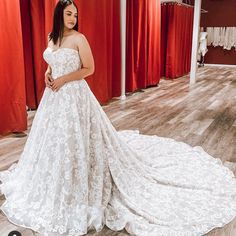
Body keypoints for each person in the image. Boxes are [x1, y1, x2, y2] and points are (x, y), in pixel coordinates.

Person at [0, 1, 236, 236]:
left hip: (74, 94)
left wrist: (63, 79)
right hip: (53, 98)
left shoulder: (79, 39)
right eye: (68, 14)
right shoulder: (52, 36)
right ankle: (56, 178)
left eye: (75, 14)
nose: (72, 18)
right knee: (55, 140)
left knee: (79, 138)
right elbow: (51, 60)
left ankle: (82, 175)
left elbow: (88, 69)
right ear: (58, 15)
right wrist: (48, 73)